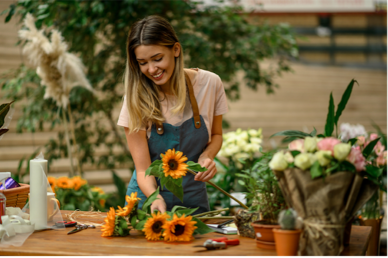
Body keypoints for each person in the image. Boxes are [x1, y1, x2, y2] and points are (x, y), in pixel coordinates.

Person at [117, 15, 228, 214]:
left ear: (176, 49)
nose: (152, 69)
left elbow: (217, 135)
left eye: (157, 59)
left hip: (193, 199)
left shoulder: (210, 84)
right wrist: (155, 197)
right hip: (147, 201)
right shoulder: (135, 99)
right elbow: (143, 169)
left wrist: (207, 156)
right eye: (142, 63)